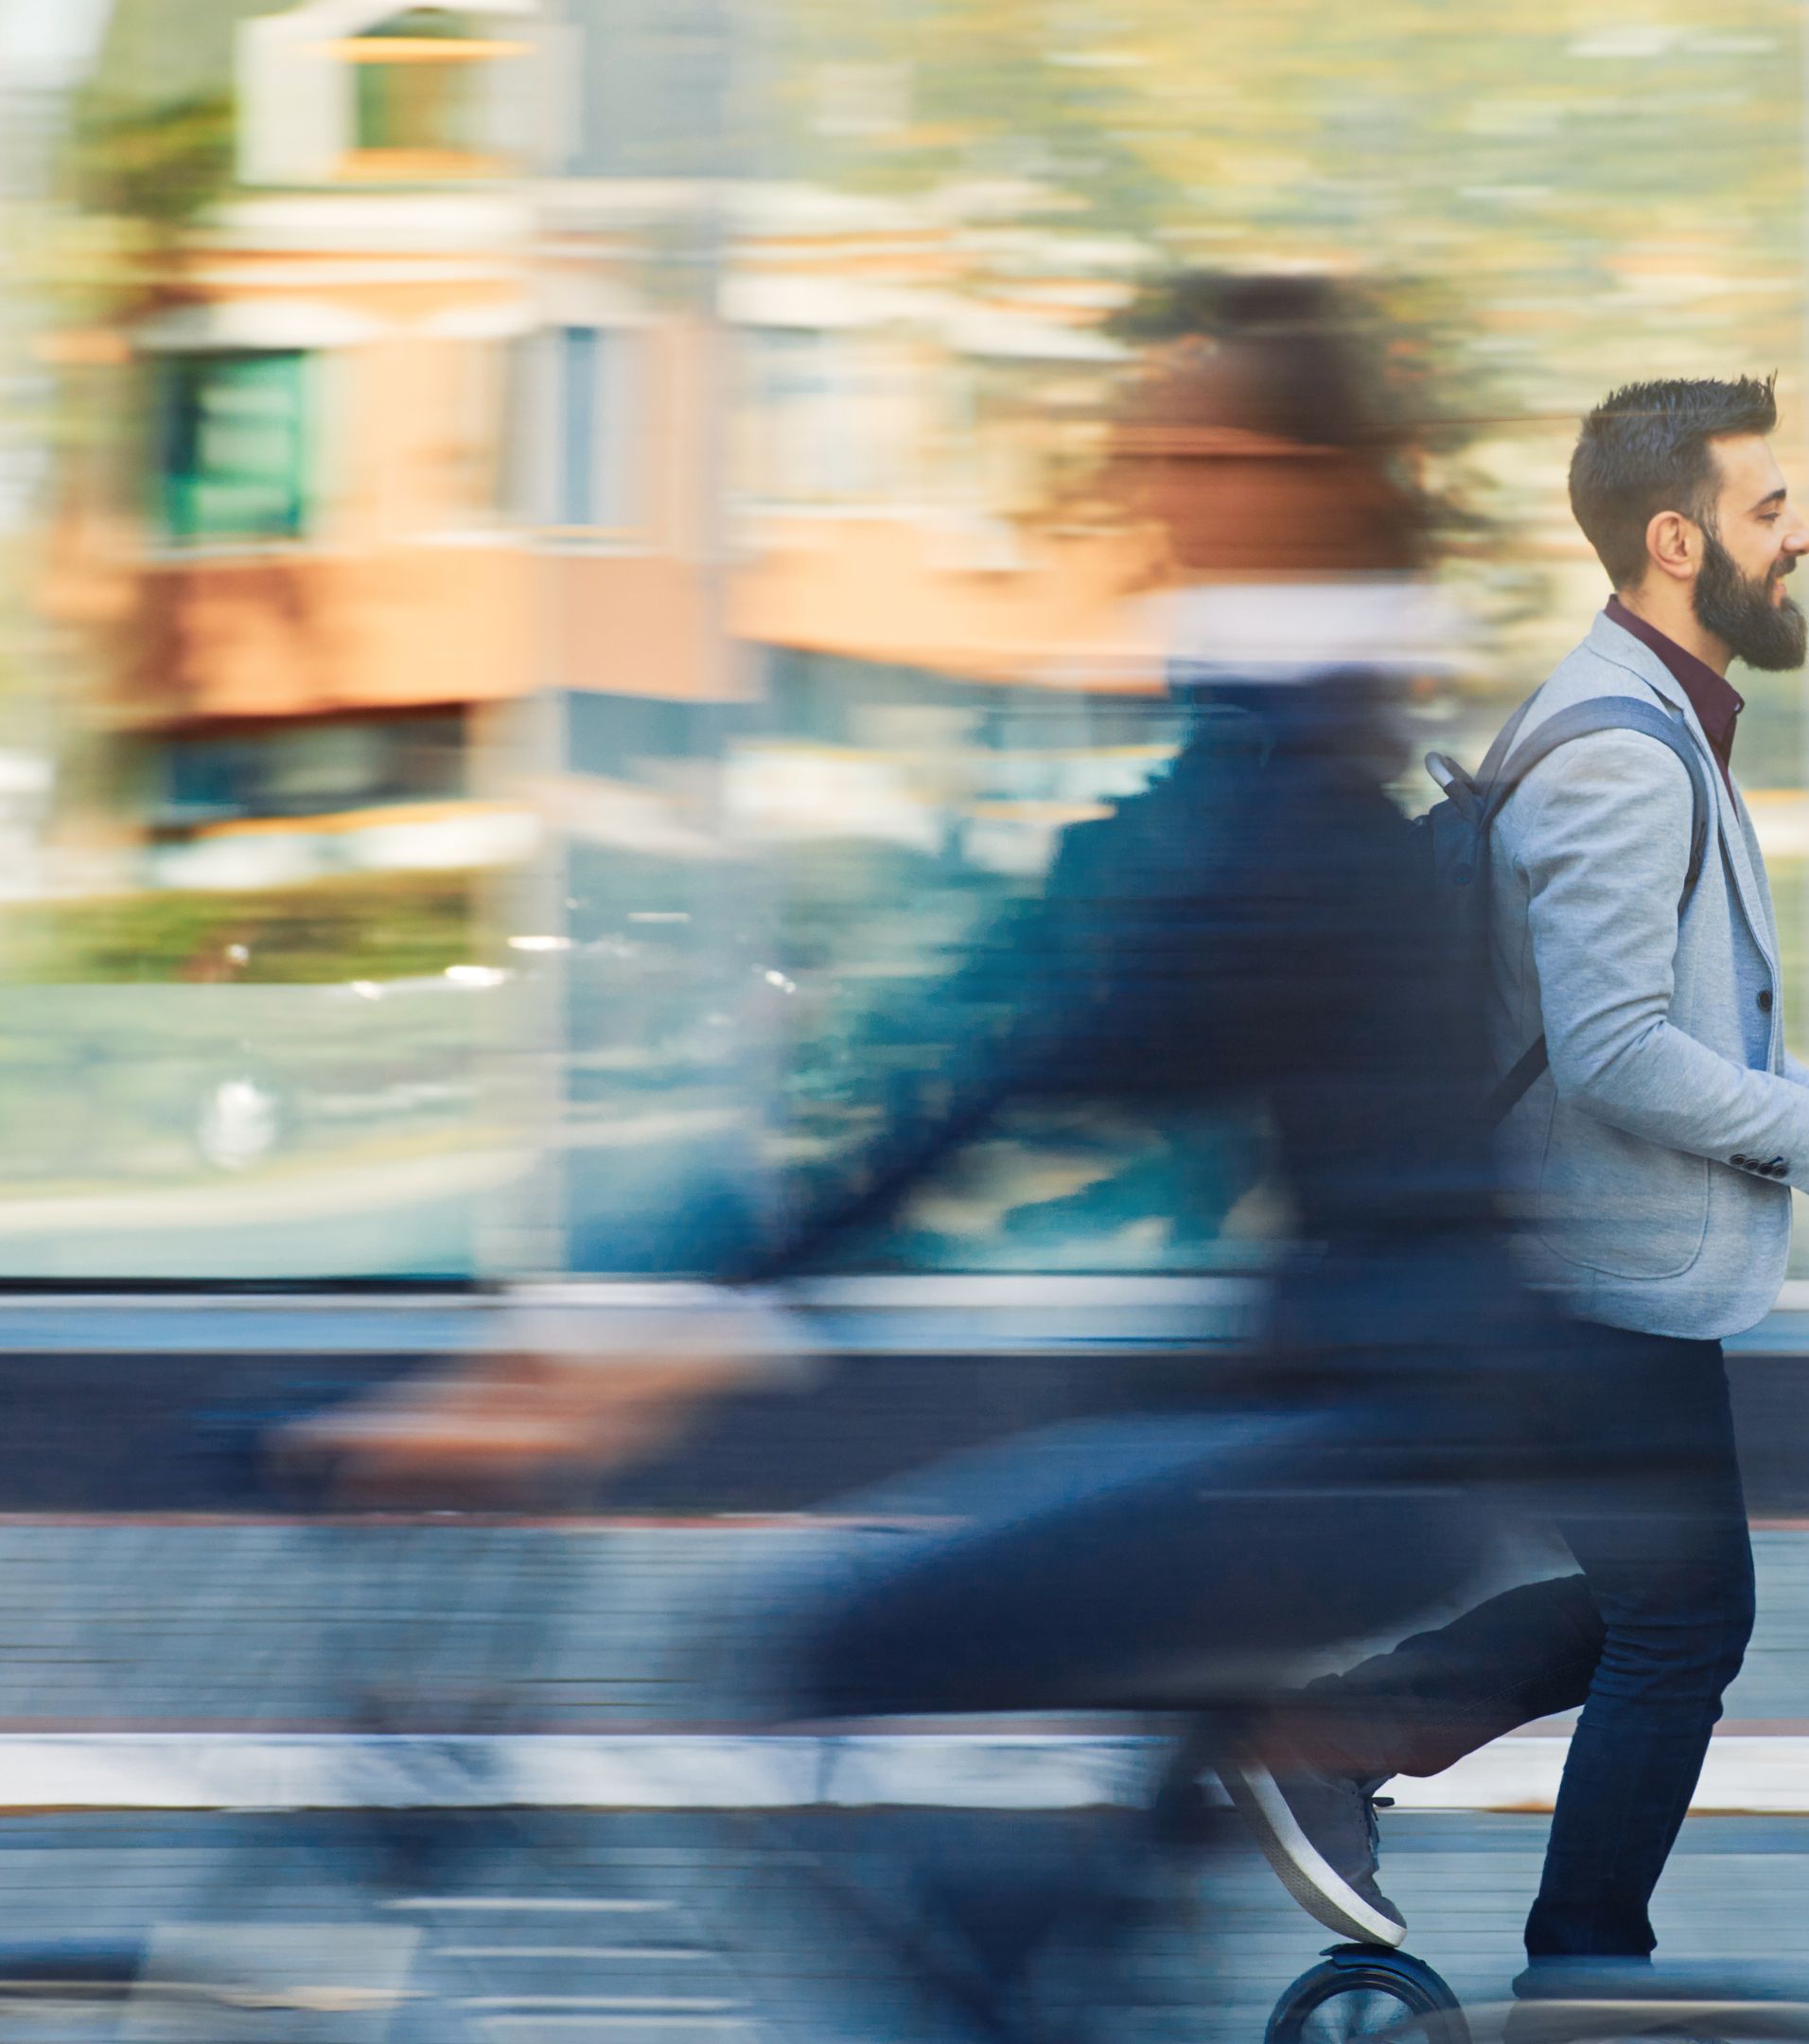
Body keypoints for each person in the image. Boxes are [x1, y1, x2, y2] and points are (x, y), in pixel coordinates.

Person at [282, 276, 1540, 2021]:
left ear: (1313, 477)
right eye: (1142, 450)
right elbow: (1033, 1063)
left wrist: (631, 1354)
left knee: (817, 1642)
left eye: (1199, 450)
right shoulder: (1276, 736)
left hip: (1372, 1455)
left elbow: (1002, 1075)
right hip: (1333, 1430)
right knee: (970, 1869)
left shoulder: (1296, 777)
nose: (1154, 491)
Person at [1226, 376, 1809, 1984]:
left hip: (1585, 1254)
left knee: (1665, 1609)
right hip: (1598, 1264)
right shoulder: (1626, 754)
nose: (1800, 535)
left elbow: (1634, 1021)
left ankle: (1345, 1750)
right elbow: (1613, 1052)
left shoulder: (1645, 712)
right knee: (1682, 1624)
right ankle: (1578, 1969)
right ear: (1677, 541)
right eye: (1767, 511)